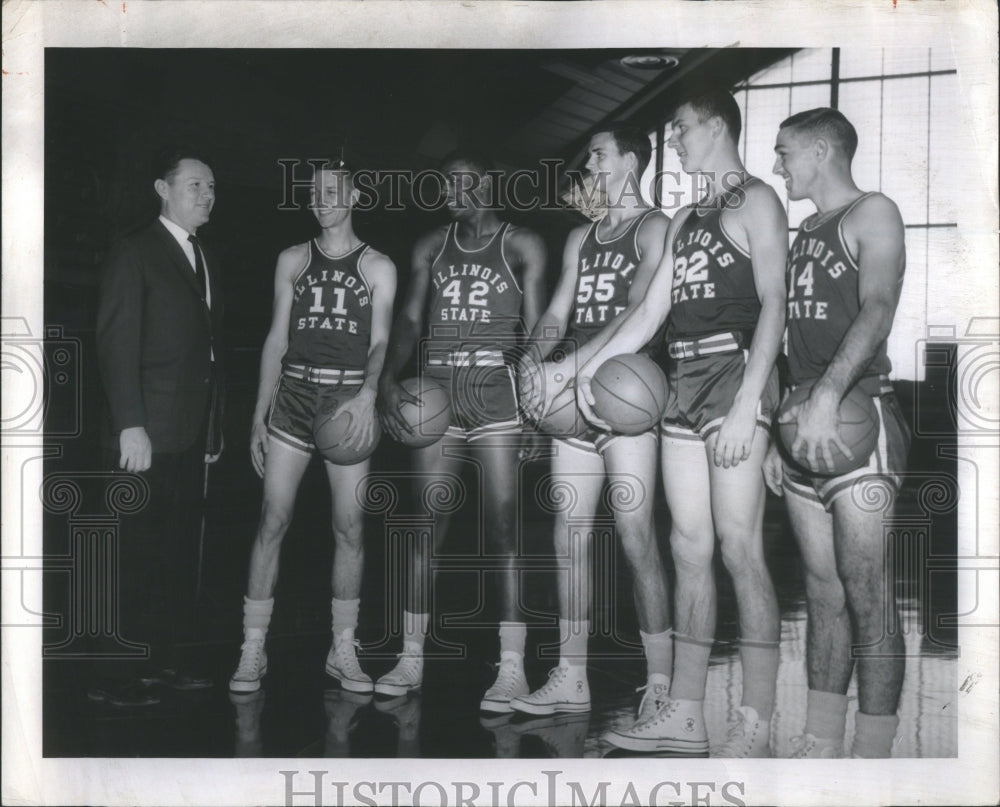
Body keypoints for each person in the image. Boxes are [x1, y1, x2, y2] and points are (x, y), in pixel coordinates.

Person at [576, 90, 788, 757]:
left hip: (734, 373)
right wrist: (584, 373)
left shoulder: (756, 200)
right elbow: (646, 316)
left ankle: (755, 716)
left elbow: (776, 302)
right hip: (680, 383)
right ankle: (688, 711)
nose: (677, 138)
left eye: (684, 127)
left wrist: (752, 400)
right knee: (687, 549)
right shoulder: (686, 218)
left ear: (719, 127)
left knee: (738, 548)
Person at [513, 125, 673, 731]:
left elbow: (639, 311)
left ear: (631, 161)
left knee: (636, 538)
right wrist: (533, 365)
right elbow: (557, 312)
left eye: (599, 155)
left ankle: (659, 684)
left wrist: (572, 368)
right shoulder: (582, 235)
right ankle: (570, 674)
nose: (589, 163)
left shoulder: (657, 227)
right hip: (571, 395)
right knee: (567, 535)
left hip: (627, 389)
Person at [376, 150, 547, 712]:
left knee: (503, 528)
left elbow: (540, 329)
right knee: (426, 526)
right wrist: (386, 381)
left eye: (462, 181)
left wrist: (534, 408)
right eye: (445, 182)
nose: (450, 190)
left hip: (497, 390)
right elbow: (407, 320)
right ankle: (410, 656)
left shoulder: (523, 245)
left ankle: (514, 666)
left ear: (490, 182)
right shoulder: (431, 244)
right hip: (439, 390)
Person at [766, 107, 909, 758]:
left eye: (785, 152)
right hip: (799, 429)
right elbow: (779, 344)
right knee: (821, 591)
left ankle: (873, 753)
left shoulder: (872, 212)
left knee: (867, 590)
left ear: (822, 151)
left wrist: (828, 394)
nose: (777, 165)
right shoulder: (801, 234)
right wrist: (775, 430)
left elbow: (878, 307)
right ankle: (821, 738)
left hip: (858, 418)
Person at [228, 160, 396, 695]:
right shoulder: (292, 259)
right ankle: (252, 648)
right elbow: (276, 339)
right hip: (295, 396)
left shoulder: (379, 266)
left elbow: (382, 340)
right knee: (272, 520)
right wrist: (258, 413)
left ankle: (342, 648)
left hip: (347, 399)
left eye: (331, 191)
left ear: (355, 195)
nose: (320, 200)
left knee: (349, 527)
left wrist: (369, 393)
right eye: (313, 192)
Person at [94, 148, 224, 706]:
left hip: (190, 434)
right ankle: (117, 677)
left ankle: (165, 663)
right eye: (194, 184)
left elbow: (211, 354)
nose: (207, 194)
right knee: (134, 555)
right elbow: (114, 342)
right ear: (161, 189)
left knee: (174, 556)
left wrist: (214, 428)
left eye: (212, 186)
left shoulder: (204, 256)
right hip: (145, 436)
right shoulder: (135, 251)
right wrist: (131, 425)